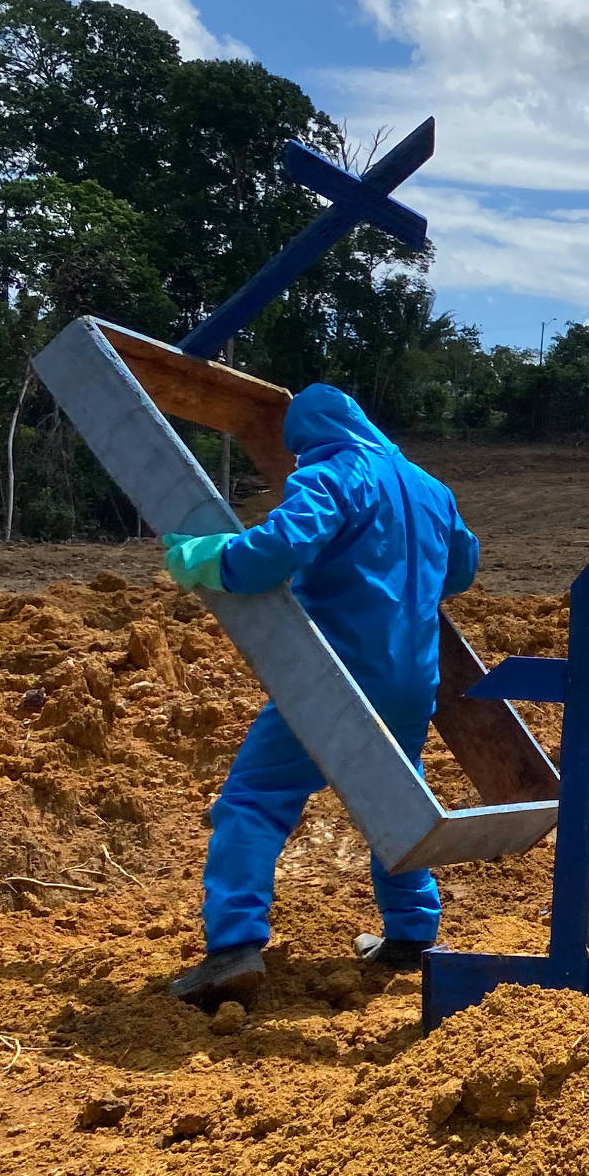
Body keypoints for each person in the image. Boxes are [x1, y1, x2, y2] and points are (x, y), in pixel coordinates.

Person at [161, 384, 480, 1003]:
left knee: (255, 798)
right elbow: (462, 568)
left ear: (307, 439)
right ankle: (413, 933)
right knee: (391, 800)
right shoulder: (428, 487)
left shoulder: (334, 474)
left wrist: (210, 559)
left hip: (336, 675)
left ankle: (233, 947)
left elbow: (275, 552)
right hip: (413, 680)